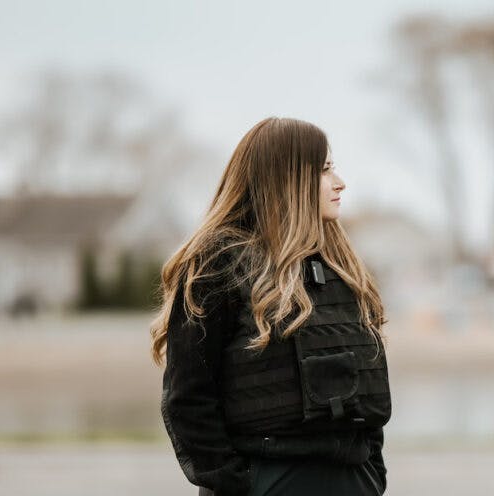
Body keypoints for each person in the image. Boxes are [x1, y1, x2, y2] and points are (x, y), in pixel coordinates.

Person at [150, 118, 390, 496]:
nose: (340, 182)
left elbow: (364, 388)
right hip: (267, 479)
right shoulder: (216, 264)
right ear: (287, 178)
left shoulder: (340, 268)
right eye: (324, 170)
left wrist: (372, 472)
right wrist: (237, 484)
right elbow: (188, 398)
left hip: (351, 479)